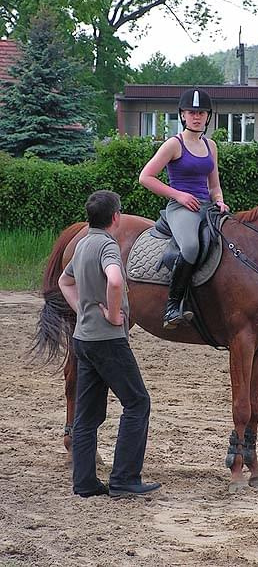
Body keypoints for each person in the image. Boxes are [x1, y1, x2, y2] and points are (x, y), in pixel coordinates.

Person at [58, 190, 161, 499]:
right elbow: (115, 280)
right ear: (116, 217)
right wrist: (114, 315)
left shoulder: (83, 243)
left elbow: (65, 281)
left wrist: (83, 310)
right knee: (137, 403)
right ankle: (124, 479)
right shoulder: (107, 246)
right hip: (107, 340)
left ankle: (85, 483)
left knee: (86, 417)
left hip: (84, 339)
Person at [139, 87, 229, 329]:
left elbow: (214, 185)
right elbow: (145, 177)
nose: (197, 117)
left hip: (207, 207)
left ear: (208, 116)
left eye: (201, 113)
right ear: (182, 115)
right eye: (192, 112)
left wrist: (219, 200)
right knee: (190, 247)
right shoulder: (173, 144)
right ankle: (172, 306)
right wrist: (178, 195)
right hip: (181, 209)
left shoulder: (211, 146)